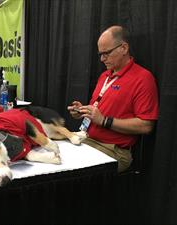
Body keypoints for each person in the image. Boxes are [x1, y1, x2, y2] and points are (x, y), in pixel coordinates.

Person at [67, 25, 159, 172]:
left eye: (106, 53)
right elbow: (97, 111)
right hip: (87, 139)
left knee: (66, 172)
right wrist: (83, 111)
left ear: (124, 48)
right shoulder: (105, 76)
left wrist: (105, 121)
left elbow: (146, 125)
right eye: (100, 54)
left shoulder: (143, 78)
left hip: (114, 151)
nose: (102, 59)